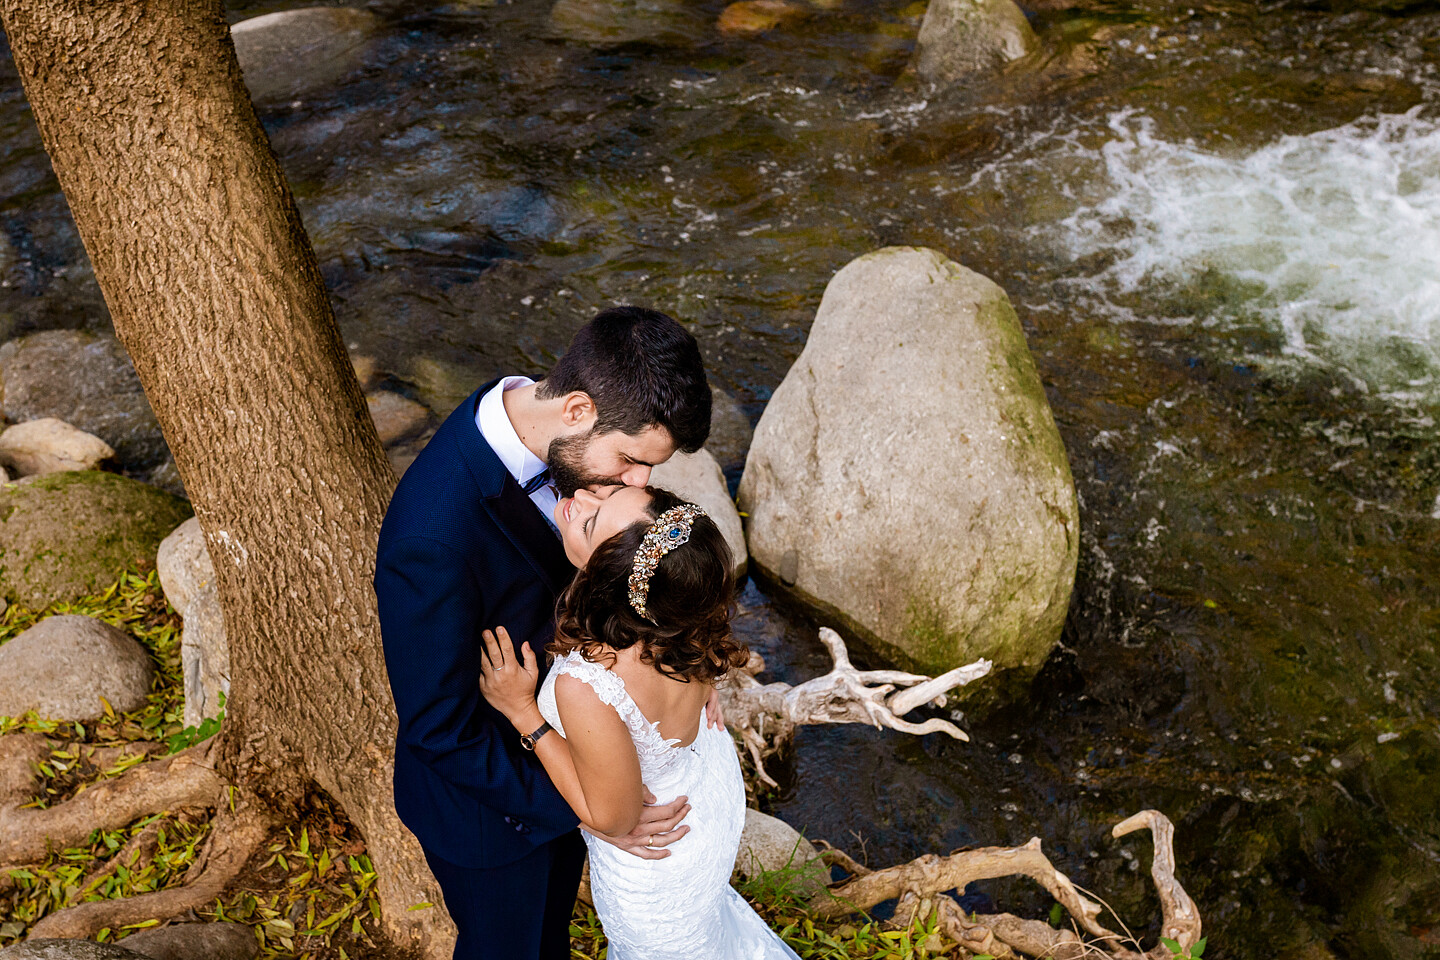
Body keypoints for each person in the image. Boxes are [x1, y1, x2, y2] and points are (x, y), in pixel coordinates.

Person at [374, 307, 716, 960]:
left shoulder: (570, 440)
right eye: (631, 461)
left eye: (650, 468)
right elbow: (439, 729)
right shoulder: (432, 536)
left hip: (584, 756)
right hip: (496, 819)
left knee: (550, 940)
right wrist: (593, 809)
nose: (640, 483)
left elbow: (637, 571)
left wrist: (684, 652)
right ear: (577, 409)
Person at [477, 486, 803, 960]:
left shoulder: (589, 682)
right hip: (704, 791)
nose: (580, 498)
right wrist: (704, 683)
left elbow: (614, 819)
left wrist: (523, 712)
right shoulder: (677, 607)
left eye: (591, 522)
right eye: (608, 492)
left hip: (659, 848)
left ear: (605, 579)